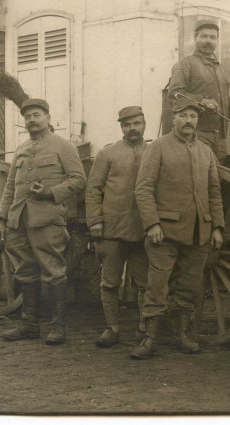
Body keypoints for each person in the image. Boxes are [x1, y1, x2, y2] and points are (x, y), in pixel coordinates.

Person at [130, 97, 225, 359]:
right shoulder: (158, 147)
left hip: (198, 233)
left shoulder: (205, 151)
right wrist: (152, 224)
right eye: (183, 116)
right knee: (157, 286)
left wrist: (217, 226)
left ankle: (181, 335)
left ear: (197, 120)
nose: (188, 121)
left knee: (189, 287)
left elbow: (214, 192)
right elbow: (143, 188)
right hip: (165, 233)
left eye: (193, 116)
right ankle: (150, 338)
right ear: (173, 118)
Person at [0, 98, 86, 345]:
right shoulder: (22, 149)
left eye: (36, 115)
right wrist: (3, 218)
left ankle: (57, 327)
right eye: (27, 117)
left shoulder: (63, 146)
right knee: (25, 271)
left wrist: (50, 193)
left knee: (53, 272)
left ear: (47, 117)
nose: (32, 120)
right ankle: (29, 324)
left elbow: (79, 180)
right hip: (19, 220)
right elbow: (10, 186)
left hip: (47, 221)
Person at [85, 106, 150, 348]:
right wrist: (95, 222)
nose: (132, 128)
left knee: (144, 283)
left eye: (136, 123)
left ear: (145, 124)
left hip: (143, 229)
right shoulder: (108, 154)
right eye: (127, 125)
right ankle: (112, 328)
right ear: (121, 127)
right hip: (112, 230)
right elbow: (93, 189)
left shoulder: (153, 152)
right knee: (110, 282)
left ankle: (143, 328)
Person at [167, 19, 230, 162]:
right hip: (196, 134)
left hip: (220, 137)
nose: (208, 41)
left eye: (212, 37)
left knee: (217, 179)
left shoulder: (219, 69)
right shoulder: (186, 65)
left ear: (217, 41)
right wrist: (201, 101)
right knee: (198, 177)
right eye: (204, 36)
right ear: (195, 38)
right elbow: (174, 95)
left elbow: (221, 105)